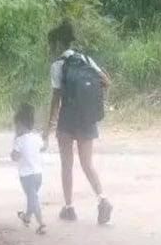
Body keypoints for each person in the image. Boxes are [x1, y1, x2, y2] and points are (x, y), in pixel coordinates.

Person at [43, 19, 114, 225]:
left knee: (67, 164)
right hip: (87, 118)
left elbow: (55, 100)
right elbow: (107, 82)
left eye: (51, 45)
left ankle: (69, 208)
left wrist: (48, 129)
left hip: (67, 119)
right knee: (87, 164)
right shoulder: (85, 59)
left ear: (57, 44)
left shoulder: (57, 65)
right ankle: (102, 199)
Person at [11, 103, 46, 235]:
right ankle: (26, 217)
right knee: (33, 198)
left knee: (33, 199)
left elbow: (14, 157)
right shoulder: (36, 138)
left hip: (26, 176)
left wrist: (15, 141)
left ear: (19, 124)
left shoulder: (19, 140)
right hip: (38, 175)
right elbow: (43, 147)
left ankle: (42, 223)